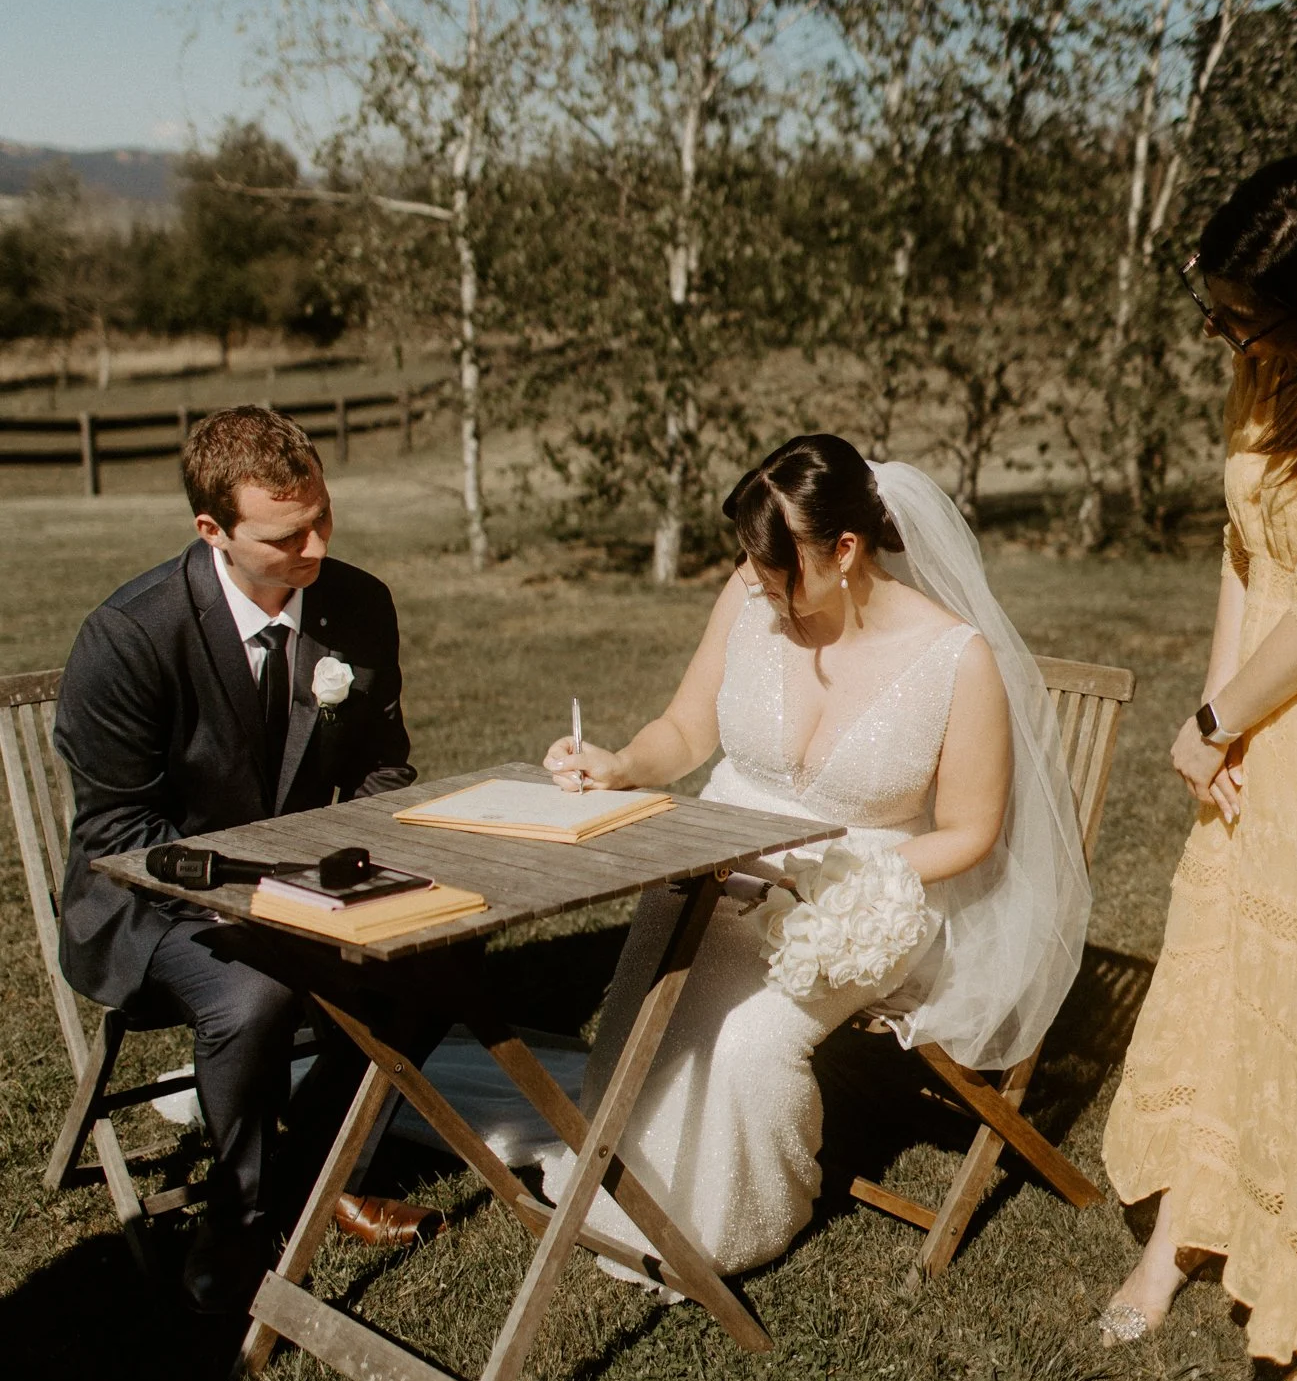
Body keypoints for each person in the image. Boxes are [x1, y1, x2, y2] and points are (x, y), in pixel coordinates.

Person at [537, 435, 1089, 1281]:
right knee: (644, 1002)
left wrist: (841, 881)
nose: (756, 582)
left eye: (775, 565)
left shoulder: (954, 660)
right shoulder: (750, 591)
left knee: (750, 1041)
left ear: (844, 549)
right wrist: (619, 765)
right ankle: (614, 1173)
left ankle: (728, 1226)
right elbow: (685, 729)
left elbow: (970, 831)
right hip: (718, 856)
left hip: (859, 891)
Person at [56, 406, 442, 1312]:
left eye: (323, 517)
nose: (314, 544)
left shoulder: (357, 603)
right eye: (284, 534)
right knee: (254, 992)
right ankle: (233, 1218)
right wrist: (253, 896)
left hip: (305, 886)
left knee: (440, 957)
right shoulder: (130, 635)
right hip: (154, 906)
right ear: (212, 532)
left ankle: (311, 1167)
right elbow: (117, 836)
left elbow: (384, 766)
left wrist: (354, 865)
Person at [1101, 156, 1297, 1381]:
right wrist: (1209, 727)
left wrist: (1229, 713)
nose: (1220, 337)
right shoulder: (1265, 361)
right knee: (1219, 970)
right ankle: (1188, 1226)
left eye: (1237, 317)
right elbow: (1243, 548)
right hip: (1260, 709)